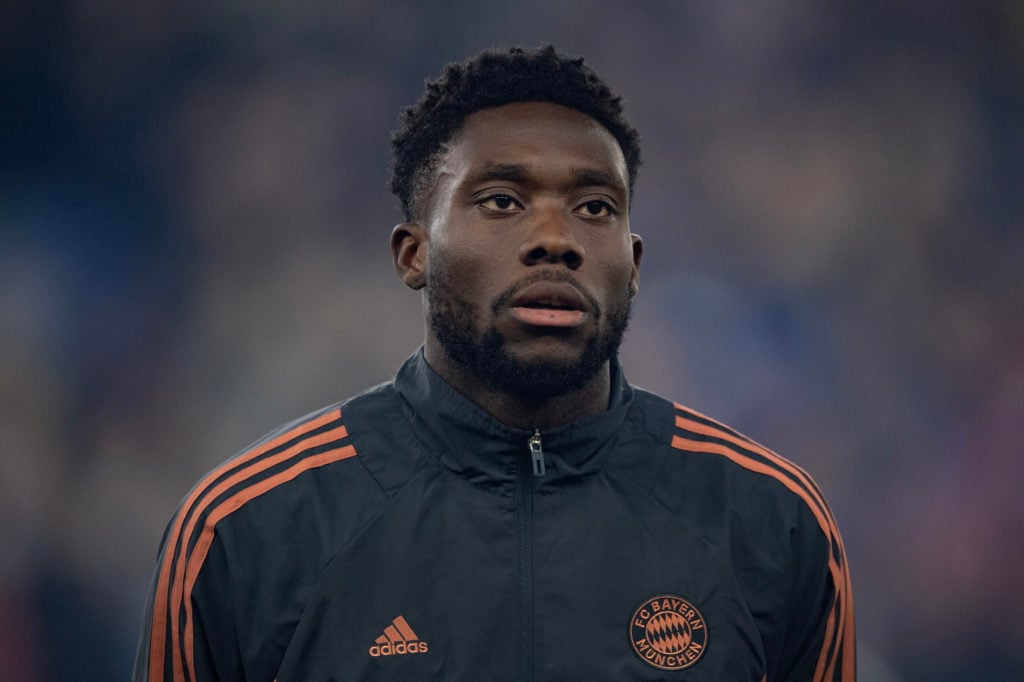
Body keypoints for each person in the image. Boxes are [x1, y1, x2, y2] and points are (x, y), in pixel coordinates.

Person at [134, 45, 855, 681]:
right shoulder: (247, 529)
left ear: (632, 266)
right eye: (503, 200)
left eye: (596, 208)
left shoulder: (770, 523)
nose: (556, 239)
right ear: (413, 255)